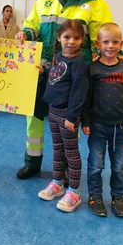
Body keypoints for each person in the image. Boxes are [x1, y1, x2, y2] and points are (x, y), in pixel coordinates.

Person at [15, 0, 113, 179]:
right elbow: (32, 24)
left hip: (72, 78)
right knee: (34, 118)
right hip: (42, 71)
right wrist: (26, 34)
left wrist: (116, 59)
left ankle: (69, 168)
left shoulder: (95, 3)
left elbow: (105, 38)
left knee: (70, 123)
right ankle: (32, 162)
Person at [82, 23, 123, 218]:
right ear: (98, 44)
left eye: (115, 42)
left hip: (121, 127)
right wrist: (86, 121)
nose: (110, 46)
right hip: (98, 126)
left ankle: (118, 197)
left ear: (121, 43)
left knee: (119, 166)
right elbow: (87, 97)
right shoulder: (92, 69)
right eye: (106, 42)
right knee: (96, 164)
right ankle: (95, 196)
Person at [38, 20, 89, 212]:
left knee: (71, 153)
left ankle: (74, 192)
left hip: (68, 115)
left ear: (82, 40)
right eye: (67, 37)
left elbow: (79, 92)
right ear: (59, 38)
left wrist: (72, 116)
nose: (71, 41)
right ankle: (57, 183)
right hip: (53, 111)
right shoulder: (58, 56)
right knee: (58, 150)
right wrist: (44, 71)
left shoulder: (79, 64)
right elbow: (57, 77)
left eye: (76, 38)